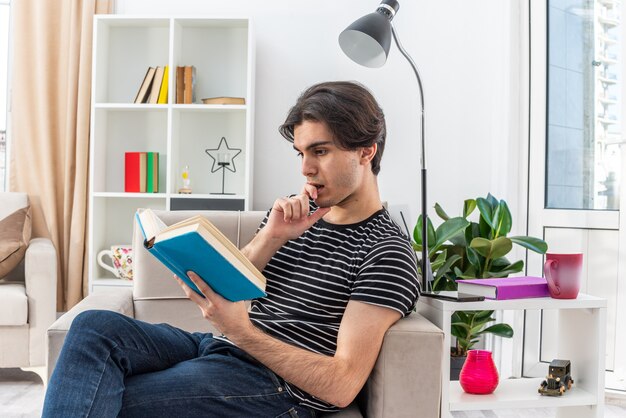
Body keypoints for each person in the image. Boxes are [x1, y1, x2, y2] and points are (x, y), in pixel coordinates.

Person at [42, 81, 420, 417]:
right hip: (219, 348)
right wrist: (271, 237)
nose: (305, 168)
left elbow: (341, 385)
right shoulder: (294, 215)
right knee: (94, 327)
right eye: (300, 153)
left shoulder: (385, 252)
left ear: (366, 152)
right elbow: (226, 284)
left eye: (319, 152)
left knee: (102, 396)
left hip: (276, 385)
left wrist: (240, 332)